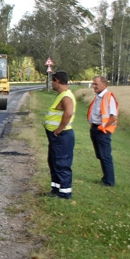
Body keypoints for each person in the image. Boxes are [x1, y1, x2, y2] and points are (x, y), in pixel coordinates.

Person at [43, 71, 76, 199]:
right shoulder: (61, 95)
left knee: (62, 163)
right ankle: (56, 189)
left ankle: (65, 193)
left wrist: (59, 129)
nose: (51, 83)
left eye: (52, 81)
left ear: (57, 81)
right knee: (54, 162)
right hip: (56, 137)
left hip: (62, 136)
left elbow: (68, 113)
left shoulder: (66, 96)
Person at [87, 75, 118, 186]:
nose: (93, 86)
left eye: (96, 84)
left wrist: (103, 127)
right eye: (93, 83)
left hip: (102, 130)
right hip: (95, 128)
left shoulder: (108, 97)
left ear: (104, 85)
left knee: (105, 156)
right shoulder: (98, 96)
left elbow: (113, 117)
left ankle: (109, 182)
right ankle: (106, 178)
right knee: (100, 155)